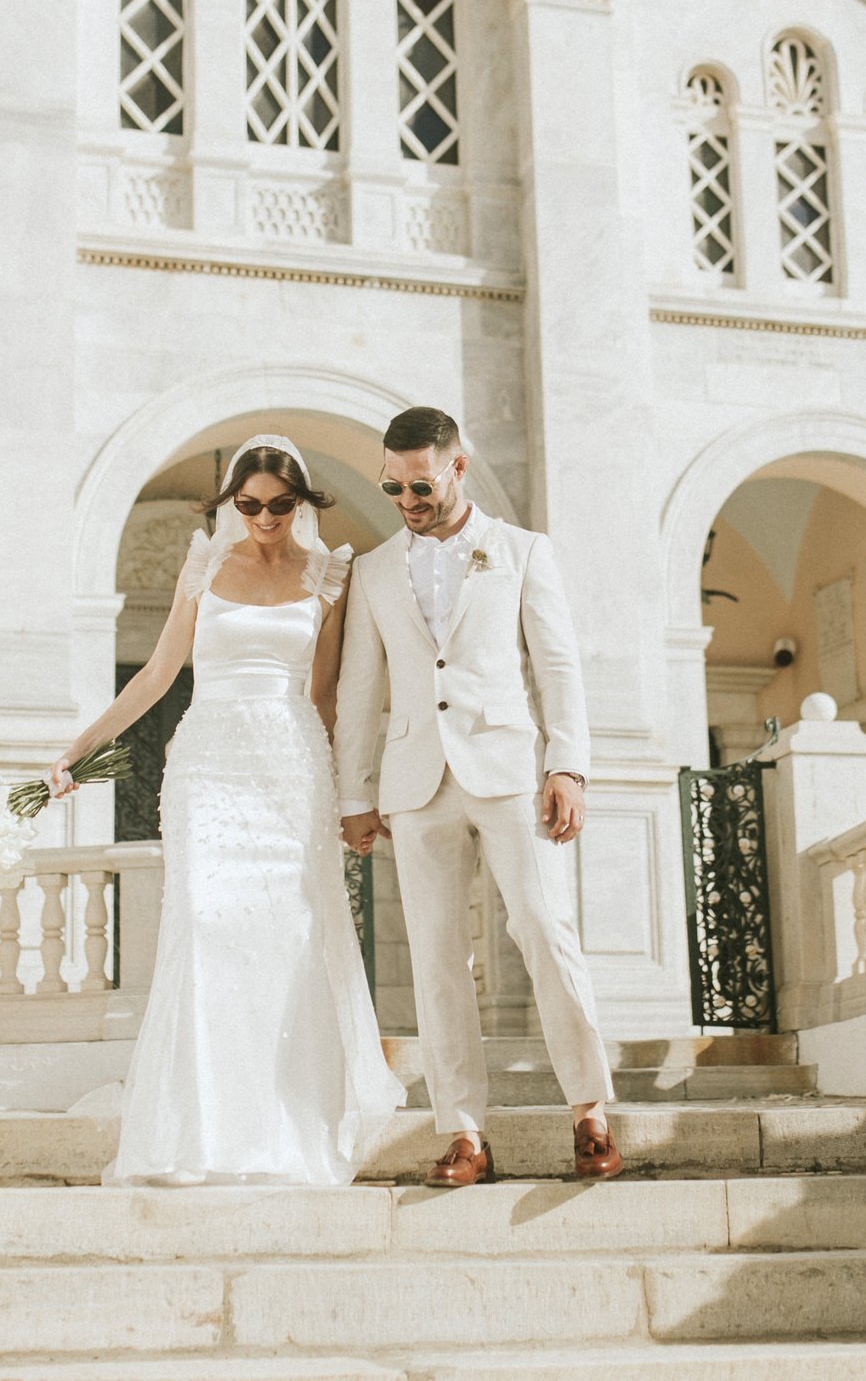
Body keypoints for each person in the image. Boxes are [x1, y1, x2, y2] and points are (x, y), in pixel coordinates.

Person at [44, 434, 402, 1185]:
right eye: (248, 504)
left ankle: (283, 1133)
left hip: (290, 764)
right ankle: (197, 1136)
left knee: (289, 939)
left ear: (299, 503)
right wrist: (79, 747)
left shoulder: (328, 573)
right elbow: (159, 670)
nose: (263, 517)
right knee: (205, 927)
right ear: (230, 504)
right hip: (208, 763)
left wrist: (354, 795)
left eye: (278, 504)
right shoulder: (204, 565)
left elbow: (328, 695)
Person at [334, 407, 621, 1187]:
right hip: (414, 783)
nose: (405, 498)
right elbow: (362, 686)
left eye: (420, 484)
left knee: (543, 926)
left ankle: (589, 1109)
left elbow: (557, 666)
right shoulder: (374, 568)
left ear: (458, 467)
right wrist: (354, 791)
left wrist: (569, 764)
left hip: (509, 771)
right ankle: (463, 1131)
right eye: (391, 485)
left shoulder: (523, 552)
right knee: (434, 957)